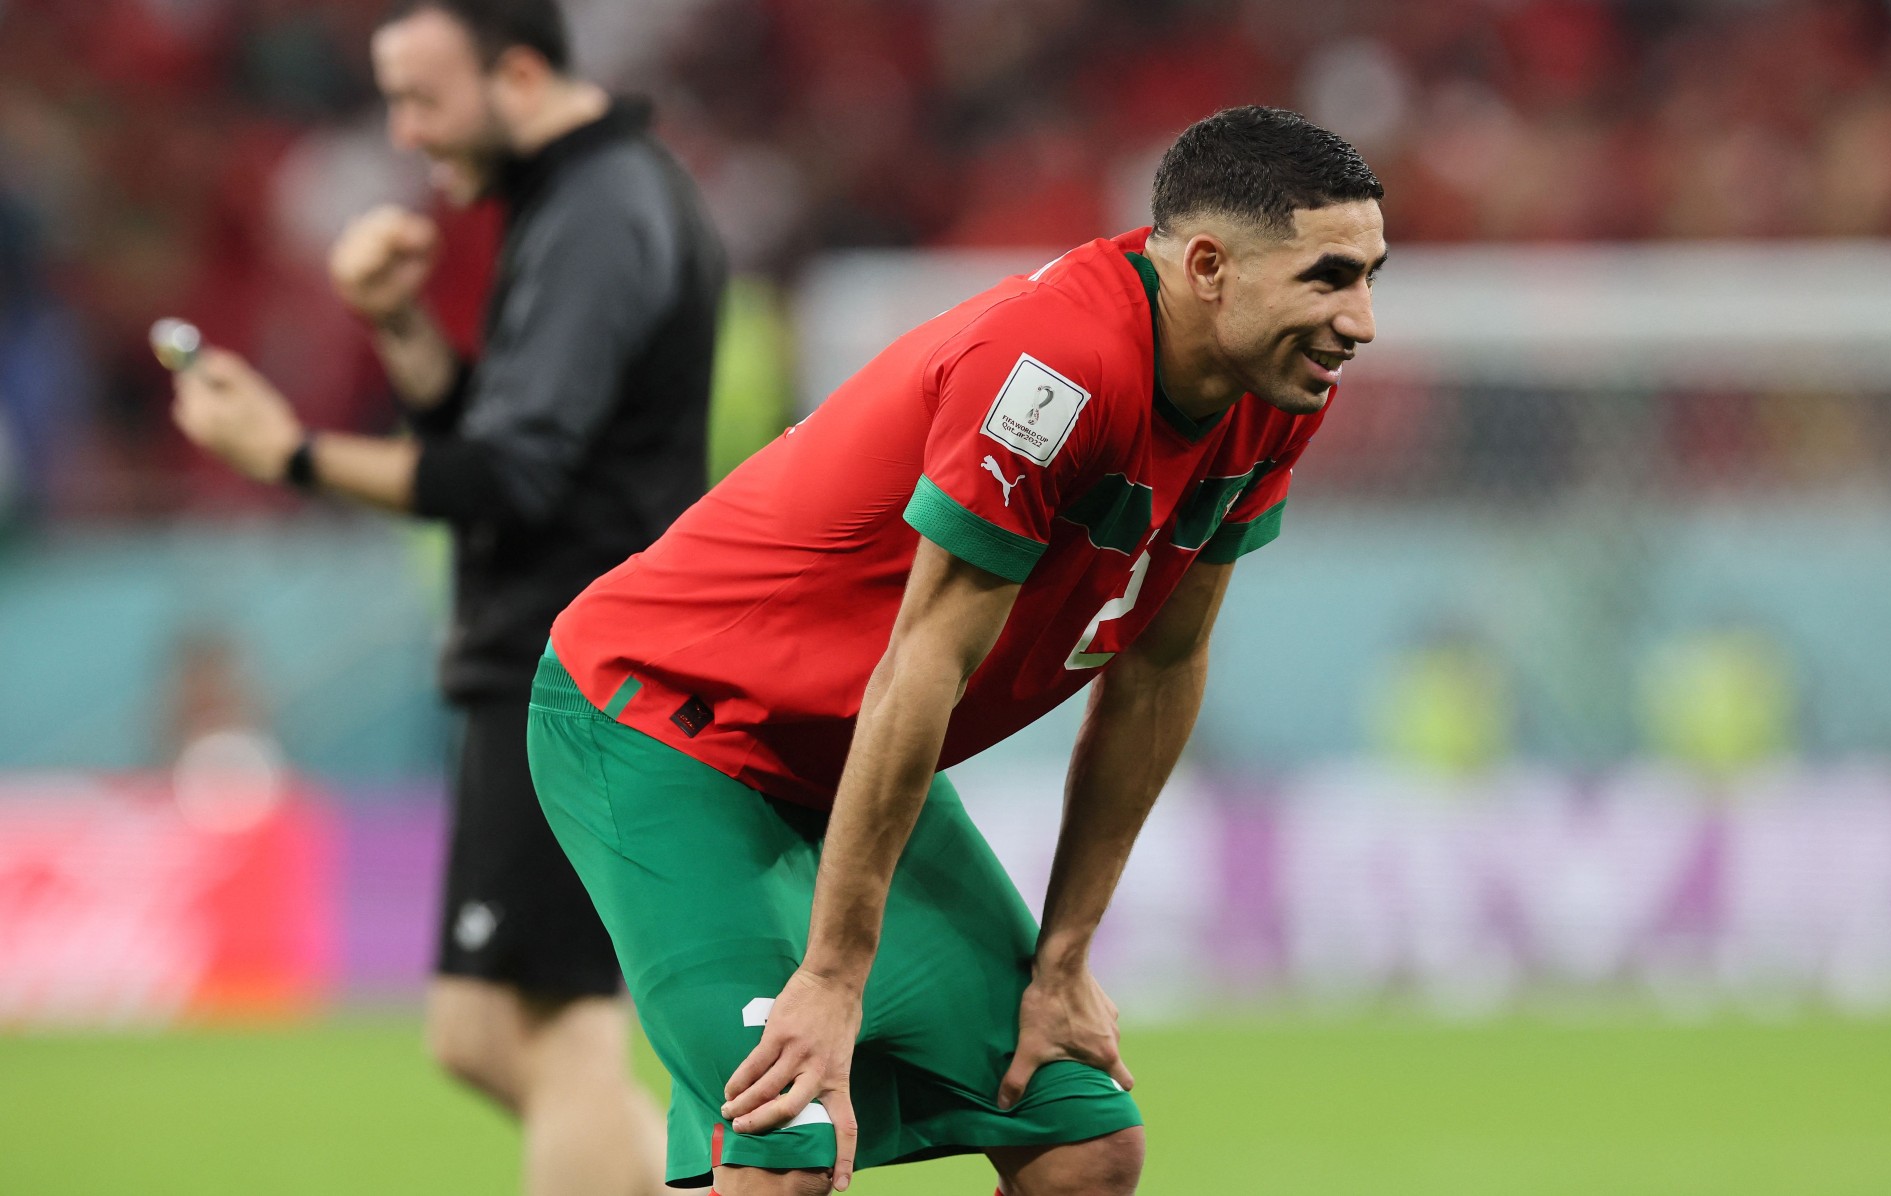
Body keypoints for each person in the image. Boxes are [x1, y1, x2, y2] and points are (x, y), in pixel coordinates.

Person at [529, 106, 1386, 1195]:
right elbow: (919, 664)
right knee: (786, 1136)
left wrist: (1066, 956)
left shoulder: (1270, 394)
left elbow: (1161, 666)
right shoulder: (1056, 373)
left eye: (1371, 275)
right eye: (1328, 277)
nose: (1360, 318)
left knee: (1082, 1141)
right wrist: (834, 976)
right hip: (667, 727)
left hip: (848, 754)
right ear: (1210, 265)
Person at [170, 3, 725, 1193]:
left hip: (575, 668)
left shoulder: (600, 210)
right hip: (549, 659)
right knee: (477, 1032)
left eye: (422, 97)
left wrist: (291, 453)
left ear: (517, 74)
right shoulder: (578, 201)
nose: (404, 131)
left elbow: (514, 477)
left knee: (554, 1026)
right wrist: (398, 324)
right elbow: (513, 440)